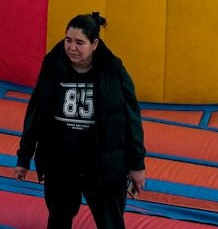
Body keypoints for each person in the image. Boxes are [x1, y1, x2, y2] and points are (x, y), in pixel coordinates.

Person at [16, 13, 145, 229]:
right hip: (62, 164)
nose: (72, 48)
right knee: (58, 219)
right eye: (68, 40)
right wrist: (24, 157)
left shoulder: (113, 72)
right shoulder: (53, 67)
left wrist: (137, 164)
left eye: (79, 42)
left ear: (94, 44)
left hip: (103, 165)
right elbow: (36, 114)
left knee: (110, 222)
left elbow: (132, 119)